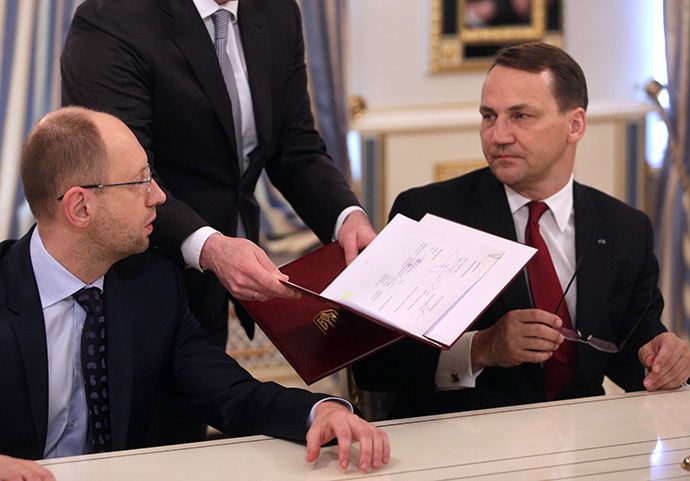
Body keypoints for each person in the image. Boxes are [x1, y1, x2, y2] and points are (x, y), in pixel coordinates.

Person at [0, 107, 389, 480]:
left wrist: (320, 411)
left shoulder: (152, 286)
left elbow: (232, 395)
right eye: (139, 182)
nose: (158, 197)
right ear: (80, 207)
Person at [61, 0, 376, 444]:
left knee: (195, 428)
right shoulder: (114, 17)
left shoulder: (278, 12)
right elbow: (119, 176)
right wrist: (209, 246)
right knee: (147, 441)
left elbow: (295, 144)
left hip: (218, 271)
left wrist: (347, 216)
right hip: (139, 271)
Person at [352, 42, 690, 420]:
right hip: (461, 443)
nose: (498, 136)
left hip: (582, 441)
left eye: (521, 116)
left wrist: (661, 357)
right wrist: (480, 348)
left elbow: (630, 350)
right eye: (488, 116)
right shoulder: (429, 215)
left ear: (575, 125)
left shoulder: (626, 228)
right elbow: (373, 365)